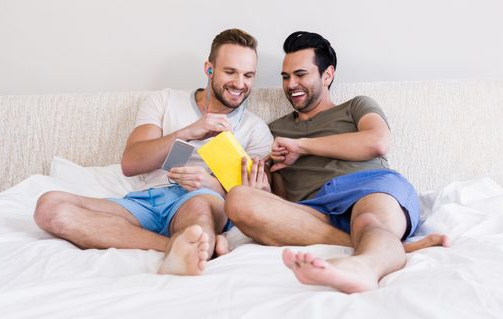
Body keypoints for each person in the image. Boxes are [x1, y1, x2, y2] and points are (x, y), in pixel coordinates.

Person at [34, 29, 273, 276]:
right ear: (209, 68)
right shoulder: (165, 100)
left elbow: (254, 198)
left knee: (199, 216)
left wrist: (211, 185)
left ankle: (194, 242)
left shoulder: (256, 130)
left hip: (200, 201)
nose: (240, 83)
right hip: (147, 201)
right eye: (230, 72)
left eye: (248, 75)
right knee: (49, 208)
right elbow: (131, 163)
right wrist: (189, 131)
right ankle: (175, 246)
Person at [225, 31, 448, 293]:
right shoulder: (272, 130)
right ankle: (390, 247)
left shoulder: (356, 106)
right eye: (286, 77)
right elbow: (284, 200)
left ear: (327, 75)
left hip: (370, 187)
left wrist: (302, 146)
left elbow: (378, 141)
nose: (291, 84)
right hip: (314, 210)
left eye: (301, 74)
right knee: (239, 199)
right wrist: (266, 193)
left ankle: (363, 268)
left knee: (368, 222)